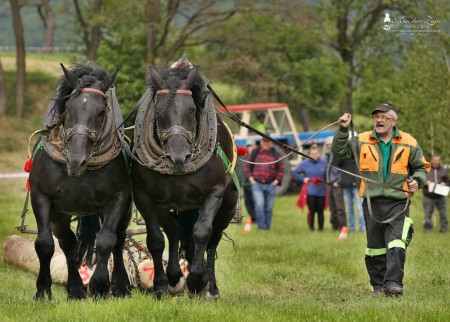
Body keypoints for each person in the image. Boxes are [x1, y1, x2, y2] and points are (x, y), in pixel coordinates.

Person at [332, 102, 430, 297]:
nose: (379, 120)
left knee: (396, 242)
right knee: (375, 247)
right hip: (372, 203)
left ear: (393, 121)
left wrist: (417, 181)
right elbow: (340, 151)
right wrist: (343, 129)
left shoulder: (408, 141)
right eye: (376, 116)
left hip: (398, 203)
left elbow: (422, 167)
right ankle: (377, 286)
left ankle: (393, 284)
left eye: (384, 117)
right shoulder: (362, 140)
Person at [244, 135, 284, 230]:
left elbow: (281, 169)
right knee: (259, 205)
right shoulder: (254, 152)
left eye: (268, 141)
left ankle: (267, 227)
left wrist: (277, 180)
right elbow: (247, 167)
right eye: (264, 141)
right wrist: (251, 179)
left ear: (271, 143)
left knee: (269, 207)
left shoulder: (276, 154)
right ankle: (261, 227)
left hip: (271, 184)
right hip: (257, 184)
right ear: (261, 142)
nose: (266, 143)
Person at [293, 147, 327, 231]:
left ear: (319, 154)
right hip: (310, 191)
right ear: (309, 155)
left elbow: (329, 173)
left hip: (321, 191)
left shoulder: (324, 162)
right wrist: (303, 179)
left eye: (316, 154)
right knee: (311, 211)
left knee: (320, 211)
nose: (315, 156)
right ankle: (311, 228)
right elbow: (295, 172)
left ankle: (321, 229)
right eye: (312, 154)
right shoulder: (305, 163)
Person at [339, 132, 365, 233]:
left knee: (360, 208)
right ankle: (352, 229)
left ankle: (362, 228)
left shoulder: (360, 152)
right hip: (346, 185)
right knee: (349, 209)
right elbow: (336, 164)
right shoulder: (343, 153)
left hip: (357, 185)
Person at [324, 137, 348, 239]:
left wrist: (337, 181)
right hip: (329, 184)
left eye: (330, 144)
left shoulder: (338, 156)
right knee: (332, 207)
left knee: (339, 207)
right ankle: (334, 226)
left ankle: (342, 226)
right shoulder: (328, 156)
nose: (328, 146)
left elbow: (342, 169)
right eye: (327, 145)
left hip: (336, 184)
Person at [423, 154, 448, 233]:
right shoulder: (426, 169)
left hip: (440, 196)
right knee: (427, 214)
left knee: (443, 214)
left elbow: (448, 181)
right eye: (434, 160)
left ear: (440, 161)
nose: (436, 162)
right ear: (431, 160)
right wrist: (425, 182)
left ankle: (444, 230)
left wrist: (445, 183)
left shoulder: (444, 170)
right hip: (428, 196)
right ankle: (427, 230)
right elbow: (420, 179)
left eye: (437, 160)